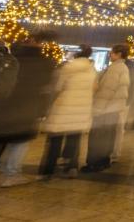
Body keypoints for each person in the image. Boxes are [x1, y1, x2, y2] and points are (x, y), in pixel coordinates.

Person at [0, 30, 58, 188]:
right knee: (19, 142)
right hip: (26, 106)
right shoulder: (45, 63)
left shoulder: (10, 57)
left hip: (2, 103)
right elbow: (45, 87)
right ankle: (10, 175)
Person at [39, 45, 97, 179]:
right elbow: (94, 88)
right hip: (82, 108)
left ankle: (48, 170)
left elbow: (58, 87)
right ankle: (72, 167)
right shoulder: (92, 70)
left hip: (64, 106)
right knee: (75, 139)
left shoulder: (68, 68)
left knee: (55, 140)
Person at [82, 44, 130, 172]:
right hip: (113, 109)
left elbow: (107, 91)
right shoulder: (123, 67)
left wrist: (98, 109)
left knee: (97, 137)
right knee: (108, 137)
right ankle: (104, 161)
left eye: (112, 52)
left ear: (119, 54)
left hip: (105, 109)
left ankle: (93, 163)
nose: (110, 54)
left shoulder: (115, 68)